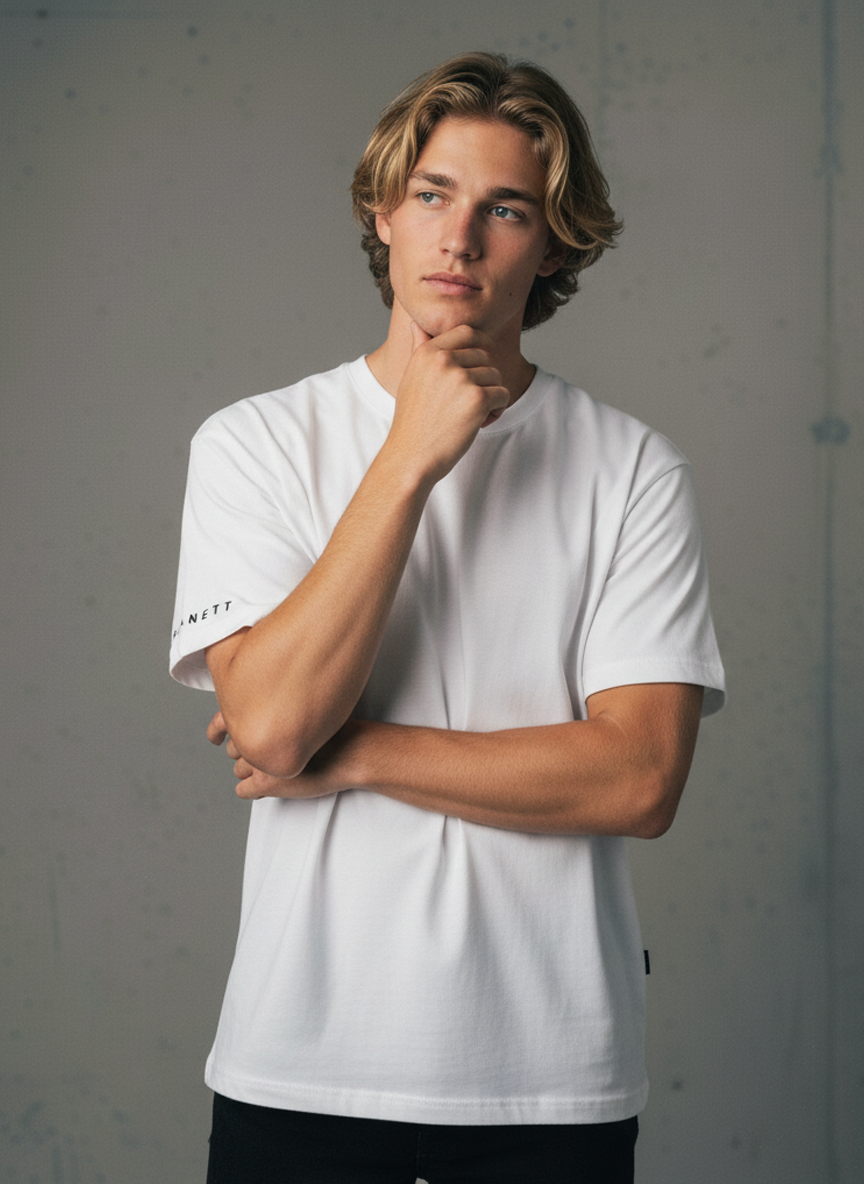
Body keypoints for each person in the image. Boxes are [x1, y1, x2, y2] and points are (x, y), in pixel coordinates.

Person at [170, 51, 725, 1184]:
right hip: (301, 1070)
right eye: (431, 194)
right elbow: (273, 726)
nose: (458, 239)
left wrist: (355, 750)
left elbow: (637, 781)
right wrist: (412, 454)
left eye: (504, 208)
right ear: (385, 212)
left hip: (551, 1082)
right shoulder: (254, 444)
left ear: (556, 242)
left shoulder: (632, 470)